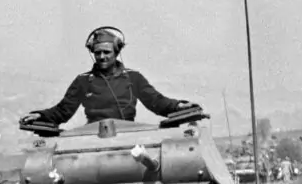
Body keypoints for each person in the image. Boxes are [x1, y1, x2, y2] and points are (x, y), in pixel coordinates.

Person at [20, 27, 196, 126]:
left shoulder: (133, 78)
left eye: (106, 52)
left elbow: (156, 101)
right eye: (98, 53)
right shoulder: (83, 81)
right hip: (92, 136)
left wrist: (178, 106)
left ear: (116, 52)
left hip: (129, 133)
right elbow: (63, 111)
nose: (102, 57)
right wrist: (40, 116)